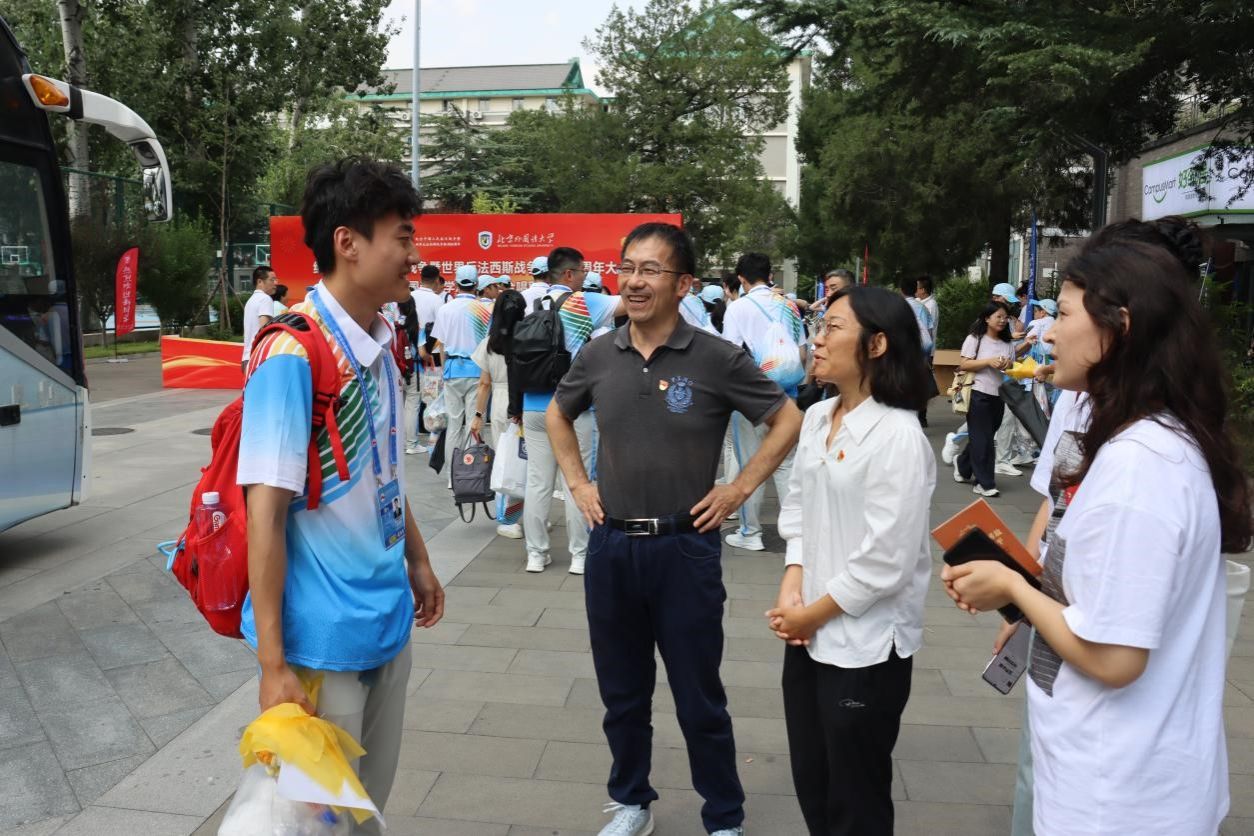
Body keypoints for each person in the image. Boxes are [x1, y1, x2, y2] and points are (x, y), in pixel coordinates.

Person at [941, 227, 1250, 836]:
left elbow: (1114, 657)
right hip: (1115, 778)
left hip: (1121, 796)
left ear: (1119, 328)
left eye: (1063, 314)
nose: (1048, 333)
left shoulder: (1141, 465)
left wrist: (1013, 587)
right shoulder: (1142, 441)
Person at [547, 222, 803, 836]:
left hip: (685, 549)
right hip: (611, 547)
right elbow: (558, 414)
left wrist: (739, 488)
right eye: (627, 268)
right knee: (622, 694)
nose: (634, 282)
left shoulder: (716, 357)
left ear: (684, 284)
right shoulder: (599, 354)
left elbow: (788, 418)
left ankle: (724, 816)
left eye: (650, 270)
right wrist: (578, 484)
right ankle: (631, 801)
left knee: (699, 696)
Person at [238, 158, 445, 834]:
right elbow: (264, 513)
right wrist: (273, 665)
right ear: (347, 243)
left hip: (386, 619)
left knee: (364, 812)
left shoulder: (378, 342)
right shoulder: (291, 355)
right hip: (321, 644)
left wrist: (417, 558)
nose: (413, 255)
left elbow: (382, 471)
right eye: (402, 238)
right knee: (316, 823)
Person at [768, 286, 935, 835]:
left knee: (856, 797)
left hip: (865, 645)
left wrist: (810, 614)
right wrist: (793, 583)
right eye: (821, 327)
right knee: (813, 778)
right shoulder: (818, 416)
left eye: (833, 328)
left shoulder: (899, 436)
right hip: (809, 630)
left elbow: (886, 559)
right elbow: (798, 507)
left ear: (877, 344)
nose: (817, 340)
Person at [520, 247, 623, 574]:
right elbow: (632, 303)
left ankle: (536, 554)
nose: (584, 277)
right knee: (576, 480)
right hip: (573, 406)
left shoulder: (528, 301)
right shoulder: (584, 302)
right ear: (568, 274)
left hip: (533, 404)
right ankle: (579, 555)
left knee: (537, 482)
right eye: (581, 272)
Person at [720, 251, 807, 551]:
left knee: (750, 464)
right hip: (788, 396)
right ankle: (796, 533)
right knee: (786, 465)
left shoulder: (738, 308)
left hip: (750, 399)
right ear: (770, 276)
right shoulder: (789, 305)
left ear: (741, 278)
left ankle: (750, 533)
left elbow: (730, 357)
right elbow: (802, 353)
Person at [470, 289, 528, 540]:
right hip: (527, 402)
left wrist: (478, 414)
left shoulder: (489, 343)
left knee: (506, 461)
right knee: (530, 462)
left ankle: (507, 519)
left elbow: (484, 384)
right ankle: (531, 514)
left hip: (501, 402)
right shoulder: (529, 339)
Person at [431, 265, 490, 478]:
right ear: (476, 284)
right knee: (474, 423)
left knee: (454, 425)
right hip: (478, 371)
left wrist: (443, 371)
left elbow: (441, 346)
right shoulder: (485, 310)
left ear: (456, 284)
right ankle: (470, 472)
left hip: (452, 370)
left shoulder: (446, 309)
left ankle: (452, 475)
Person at [953, 302, 1014, 497]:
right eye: (999, 316)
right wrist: (988, 361)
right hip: (977, 392)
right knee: (984, 440)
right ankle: (984, 483)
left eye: (1005, 317)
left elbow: (1011, 366)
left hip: (998, 395)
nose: (1003, 320)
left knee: (982, 437)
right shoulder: (975, 339)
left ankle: (962, 465)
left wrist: (1006, 364)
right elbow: (964, 364)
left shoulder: (1007, 343)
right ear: (987, 318)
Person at [899, 276, 935, 426]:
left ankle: (904, 417)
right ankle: (921, 417)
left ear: (901, 290)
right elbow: (929, 333)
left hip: (902, 354)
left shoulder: (898, 307)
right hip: (921, 354)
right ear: (915, 290)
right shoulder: (923, 308)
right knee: (920, 385)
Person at [241, 264, 277, 376]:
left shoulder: (251, 301)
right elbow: (263, 330)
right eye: (272, 280)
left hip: (247, 358)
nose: (275, 283)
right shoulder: (265, 299)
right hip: (259, 358)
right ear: (260, 281)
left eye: (276, 280)